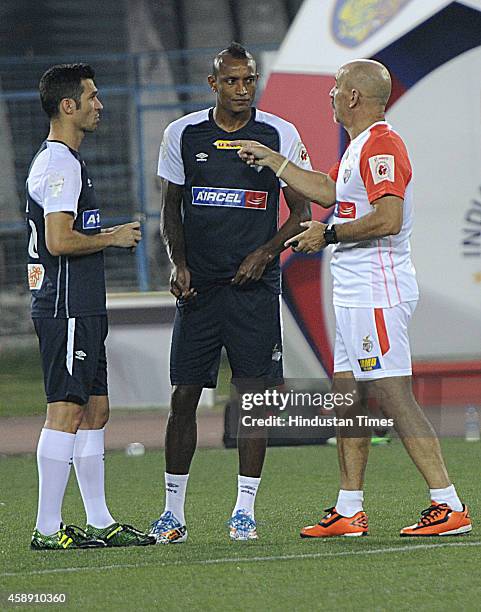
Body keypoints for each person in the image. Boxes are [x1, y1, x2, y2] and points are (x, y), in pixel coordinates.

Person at [235, 59, 472, 537]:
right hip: (354, 293)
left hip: (375, 291)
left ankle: (448, 505)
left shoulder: (383, 145)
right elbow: (327, 190)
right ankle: (349, 510)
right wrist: (274, 160)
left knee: (391, 393)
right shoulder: (358, 148)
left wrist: (330, 235)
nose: (330, 96)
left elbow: (387, 217)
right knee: (349, 400)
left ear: (354, 98)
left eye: (336, 88)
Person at [149, 43, 311, 543]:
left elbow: (302, 214)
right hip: (199, 289)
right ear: (213, 83)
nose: (243, 89)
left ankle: (245, 512)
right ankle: (172, 513)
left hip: (253, 290)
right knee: (184, 396)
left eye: (249, 80)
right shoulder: (183, 133)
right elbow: (170, 209)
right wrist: (179, 263)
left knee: (253, 399)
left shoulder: (279, 134)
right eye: (233, 81)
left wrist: (265, 254)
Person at [27, 63, 154, 549]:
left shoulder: (70, 161)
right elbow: (58, 241)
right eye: (92, 96)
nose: (99, 104)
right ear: (68, 106)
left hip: (83, 304)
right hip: (65, 306)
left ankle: (99, 520)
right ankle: (46, 528)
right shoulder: (59, 163)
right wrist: (113, 237)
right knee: (65, 410)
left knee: (95, 409)